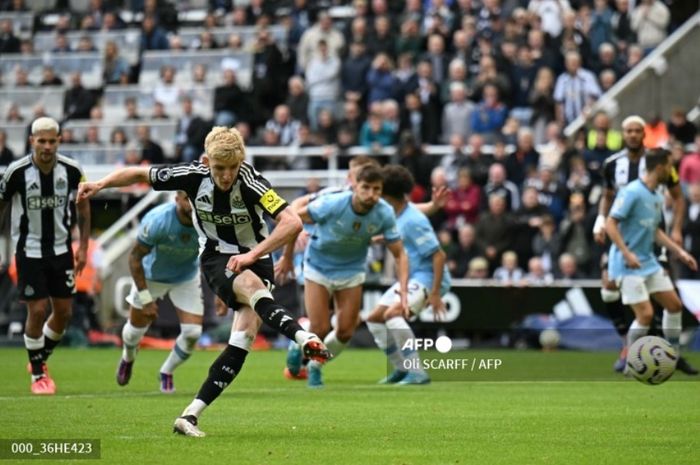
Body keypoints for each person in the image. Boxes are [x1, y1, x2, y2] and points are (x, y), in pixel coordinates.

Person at [77, 126, 330, 437]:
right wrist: (101, 183)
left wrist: (255, 255)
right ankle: (304, 337)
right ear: (206, 161)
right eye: (219, 168)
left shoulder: (252, 182)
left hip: (256, 257)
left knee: (243, 340)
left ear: (242, 161)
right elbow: (140, 174)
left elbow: (292, 222)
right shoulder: (192, 175)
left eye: (232, 168)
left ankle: (190, 415)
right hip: (216, 258)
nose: (226, 176)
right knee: (252, 288)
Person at [275, 164, 409, 388]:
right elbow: (293, 220)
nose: (371, 194)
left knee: (346, 331)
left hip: (351, 271)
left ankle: (315, 366)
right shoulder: (333, 203)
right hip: (318, 267)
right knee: (320, 328)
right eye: (366, 188)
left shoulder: (384, 212)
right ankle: (297, 345)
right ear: (355, 186)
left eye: (377, 189)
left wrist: (403, 290)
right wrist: (287, 257)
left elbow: (400, 254)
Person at [593, 115, 697, 374]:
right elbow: (611, 223)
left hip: (647, 259)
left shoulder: (654, 195)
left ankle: (670, 355)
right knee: (645, 314)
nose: (672, 171)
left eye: (637, 131)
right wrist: (625, 252)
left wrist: (680, 251)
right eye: (668, 167)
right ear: (659, 168)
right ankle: (630, 358)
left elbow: (655, 231)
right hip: (629, 259)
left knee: (673, 305)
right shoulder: (630, 191)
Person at [0, 117, 90, 395]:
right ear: (32, 141)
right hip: (28, 251)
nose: (47, 146)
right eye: (42, 140)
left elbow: (84, 208)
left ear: (59, 140)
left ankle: (39, 356)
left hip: (62, 250)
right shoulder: (16, 172)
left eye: (52, 140)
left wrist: (83, 247)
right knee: (37, 310)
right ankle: (38, 374)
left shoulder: (72, 170)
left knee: (63, 314)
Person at [364, 165, 450, 385]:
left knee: (394, 314)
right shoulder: (397, 213)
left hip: (427, 278)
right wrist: (381, 239)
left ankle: (417, 372)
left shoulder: (414, 220)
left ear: (387, 194)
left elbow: (438, 256)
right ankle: (401, 368)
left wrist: (435, 293)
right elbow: (399, 232)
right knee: (374, 318)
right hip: (413, 276)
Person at [116, 191, 203, 394]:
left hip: (186, 277)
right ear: (177, 199)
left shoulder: (207, 221)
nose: (192, 204)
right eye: (187, 198)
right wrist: (146, 300)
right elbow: (134, 259)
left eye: (195, 199)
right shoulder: (158, 220)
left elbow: (213, 255)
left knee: (193, 333)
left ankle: (167, 371)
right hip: (151, 276)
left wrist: (221, 292)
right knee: (134, 333)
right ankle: (128, 358)